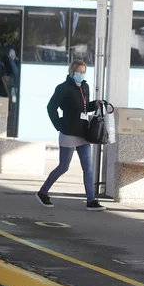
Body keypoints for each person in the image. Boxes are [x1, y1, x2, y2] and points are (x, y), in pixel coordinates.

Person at [36, 59, 106, 211]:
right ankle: (43, 192)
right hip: (68, 133)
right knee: (63, 167)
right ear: (71, 72)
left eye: (83, 72)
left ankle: (91, 200)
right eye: (78, 71)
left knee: (88, 167)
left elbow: (85, 108)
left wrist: (96, 104)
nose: (81, 74)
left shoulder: (85, 87)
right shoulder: (63, 88)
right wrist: (59, 124)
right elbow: (51, 107)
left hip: (83, 133)